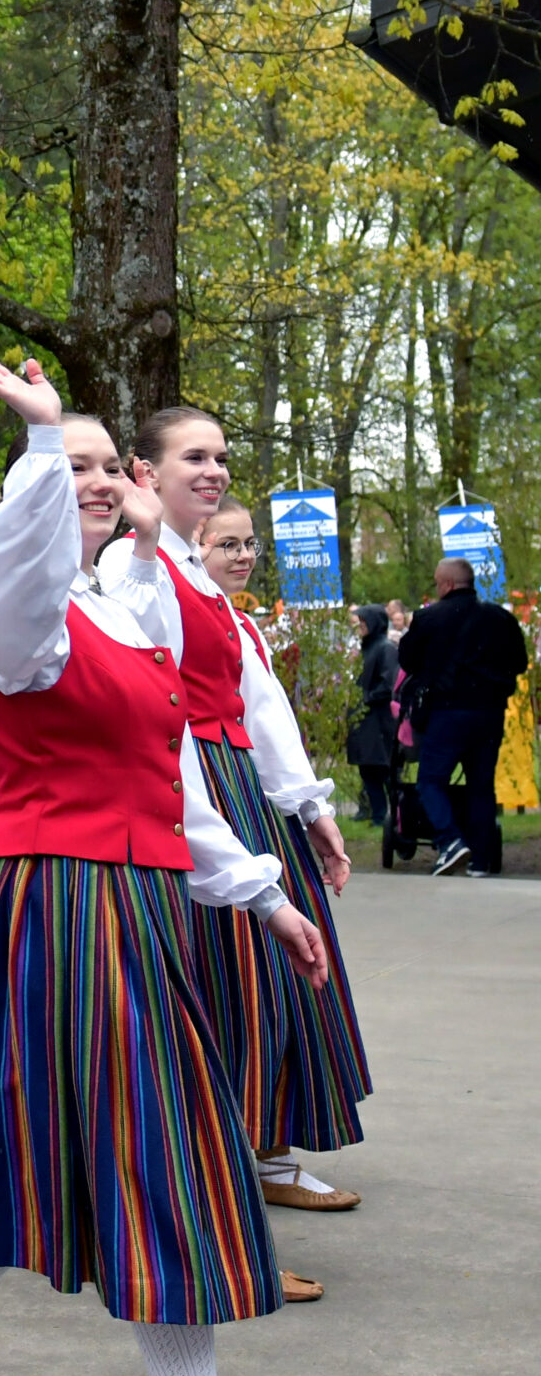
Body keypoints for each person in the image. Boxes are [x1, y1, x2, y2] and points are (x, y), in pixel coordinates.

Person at [0, 348, 332, 1376]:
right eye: (74, 467)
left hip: (136, 908)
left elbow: (172, 778)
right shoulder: (16, 615)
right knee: (162, 1158)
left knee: (45, 1150)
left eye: (108, 463)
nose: (96, 479)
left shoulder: (116, 611)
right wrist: (38, 438)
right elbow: (11, 571)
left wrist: (262, 896)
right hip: (55, 908)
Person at [108, 436, 370, 1265]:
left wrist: (307, 805)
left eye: (220, 456)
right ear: (145, 473)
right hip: (185, 786)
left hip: (230, 783)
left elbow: (260, 699)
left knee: (268, 985)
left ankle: (261, 1156)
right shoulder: (134, 569)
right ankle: (233, 1180)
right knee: (231, 988)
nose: (214, 470)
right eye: (194, 457)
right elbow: (151, 701)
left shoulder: (204, 586)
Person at [398, 556, 530, 878]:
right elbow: (519, 662)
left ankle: (450, 840)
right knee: (481, 785)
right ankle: (480, 861)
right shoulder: (500, 618)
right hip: (489, 712)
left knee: (430, 780)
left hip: (446, 712)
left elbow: (408, 660)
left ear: (446, 584)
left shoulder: (429, 618)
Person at [346, 605, 401, 830]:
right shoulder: (368, 647)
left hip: (379, 719)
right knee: (367, 768)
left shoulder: (385, 648)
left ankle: (394, 815)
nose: (360, 626)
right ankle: (378, 814)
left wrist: (367, 697)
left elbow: (389, 683)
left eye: (364, 622)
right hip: (366, 718)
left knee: (384, 768)